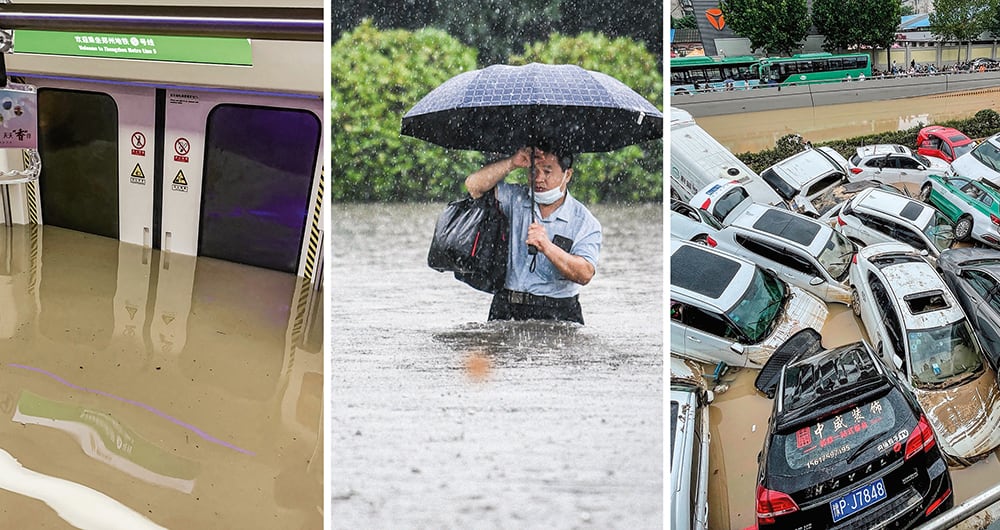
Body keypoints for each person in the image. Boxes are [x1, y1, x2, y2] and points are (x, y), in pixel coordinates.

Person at [465, 145, 602, 324]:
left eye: (547, 171)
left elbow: (585, 274)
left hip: (559, 310)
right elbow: (473, 186)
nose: (538, 179)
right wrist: (512, 162)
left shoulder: (584, 221)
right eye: (533, 171)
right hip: (507, 304)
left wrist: (547, 247)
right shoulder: (515, 198)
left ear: (567, 175)